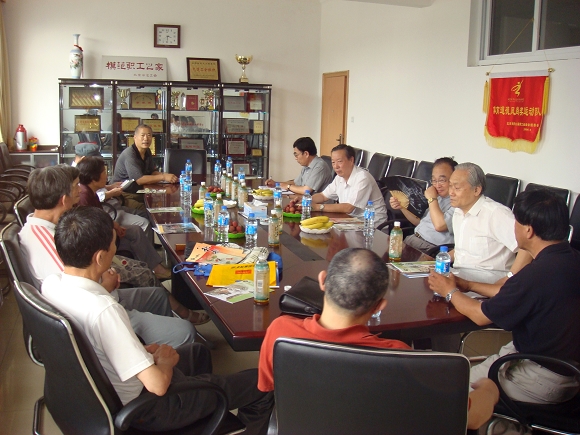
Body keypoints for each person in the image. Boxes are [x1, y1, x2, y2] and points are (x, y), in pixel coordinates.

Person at [42, 206, 273, 434]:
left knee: (198, 353)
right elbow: (158, 385)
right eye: (113, 244)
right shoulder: (104, 310)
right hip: (148, 409)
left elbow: (97, 347)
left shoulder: (51, 285)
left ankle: (203, 417)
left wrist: (142, 353)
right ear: (100, 257)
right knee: (261, 383)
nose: (115, 249)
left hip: (107, 387)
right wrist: (163, 363)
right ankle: (197, 408)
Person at [258, 248, 499, 430]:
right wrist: (489, 388)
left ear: (322, 281)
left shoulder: (280, 331)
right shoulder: (401, 356)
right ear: (379, 306)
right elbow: (471, 419)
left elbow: (269, 388)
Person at [18, 165, 205, 346]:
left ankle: (169, 338)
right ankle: (165, 343)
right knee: (185, 331)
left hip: (104, 294)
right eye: (75, 186)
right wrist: (106, 284)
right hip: (99, 316)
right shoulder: (46, 241)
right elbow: (77, 299)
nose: (79, 190)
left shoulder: (45, 228)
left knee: (158, 295)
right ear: (63, 199)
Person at [429, 189, 580, 404]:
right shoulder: (569, 259)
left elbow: (480, 315)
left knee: (449, 391)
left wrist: (449, 292)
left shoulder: (535, 275)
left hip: (538, 376)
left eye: (516, 222)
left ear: (528, 230)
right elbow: (511, 292)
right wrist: (469, 285)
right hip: (568, 371)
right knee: (460, 376)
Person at [77, 156, 169, 279]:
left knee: (136, 230)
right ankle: (151, 271)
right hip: (101, 242)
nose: (106, 176)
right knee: (137, 233)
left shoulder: (90, 191)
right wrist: (113, 229)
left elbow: (99, 215)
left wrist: (114, 225)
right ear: (94, 178)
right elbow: (91, 226)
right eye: (104, 173)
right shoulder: (84, 196)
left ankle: (156, 268)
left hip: (108, 229)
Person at [447, 162, 530, 284]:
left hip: (488, 281)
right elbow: (463, 251)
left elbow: (528, 247)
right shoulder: (458, 212)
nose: (451, 192)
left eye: (457, 188)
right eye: (450, 186)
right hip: (460, 275)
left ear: (476, 190)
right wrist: (437, 261)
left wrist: (510, 278)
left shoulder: (496, 214)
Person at [390, 157, 457, 254]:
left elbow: (440, 226)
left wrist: (432, 199)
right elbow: (419, 222)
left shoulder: (458, 203)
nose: (437, 185)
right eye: (434, 180)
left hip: (431, 248)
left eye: (442, 180)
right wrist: (401, 207)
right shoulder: (438, 197)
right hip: (413, 239)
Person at [311, 144, 388, 227]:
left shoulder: (362, 178)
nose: (336, 166)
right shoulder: (339, 178)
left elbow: (348, 208)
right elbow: (323, 196)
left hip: (372, 225)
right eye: (333, 162)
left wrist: (318, 207)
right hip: (351, 220)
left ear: (351, 160)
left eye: (339, 161)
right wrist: (306, 201)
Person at [113, 124, 178, 202]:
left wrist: (168, 176)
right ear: (135, 137)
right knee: (147, 207)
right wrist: (163, 177)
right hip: (122, 193)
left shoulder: (147, 151)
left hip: (138, 191)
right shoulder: (129, 154)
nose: (146, 138)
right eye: (142, 135)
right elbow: (139, 179)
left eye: (149, 135)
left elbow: (152, 172)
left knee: (162, 200)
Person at [265, 137, 333, 195]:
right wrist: (276, 184)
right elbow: (295, 183)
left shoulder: (320, 166)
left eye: (296, 155)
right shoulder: (306, 166)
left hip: (319, 204)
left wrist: (287, 186)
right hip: (307, 200)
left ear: (306, 154)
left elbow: (306, 190)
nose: (296, 158)